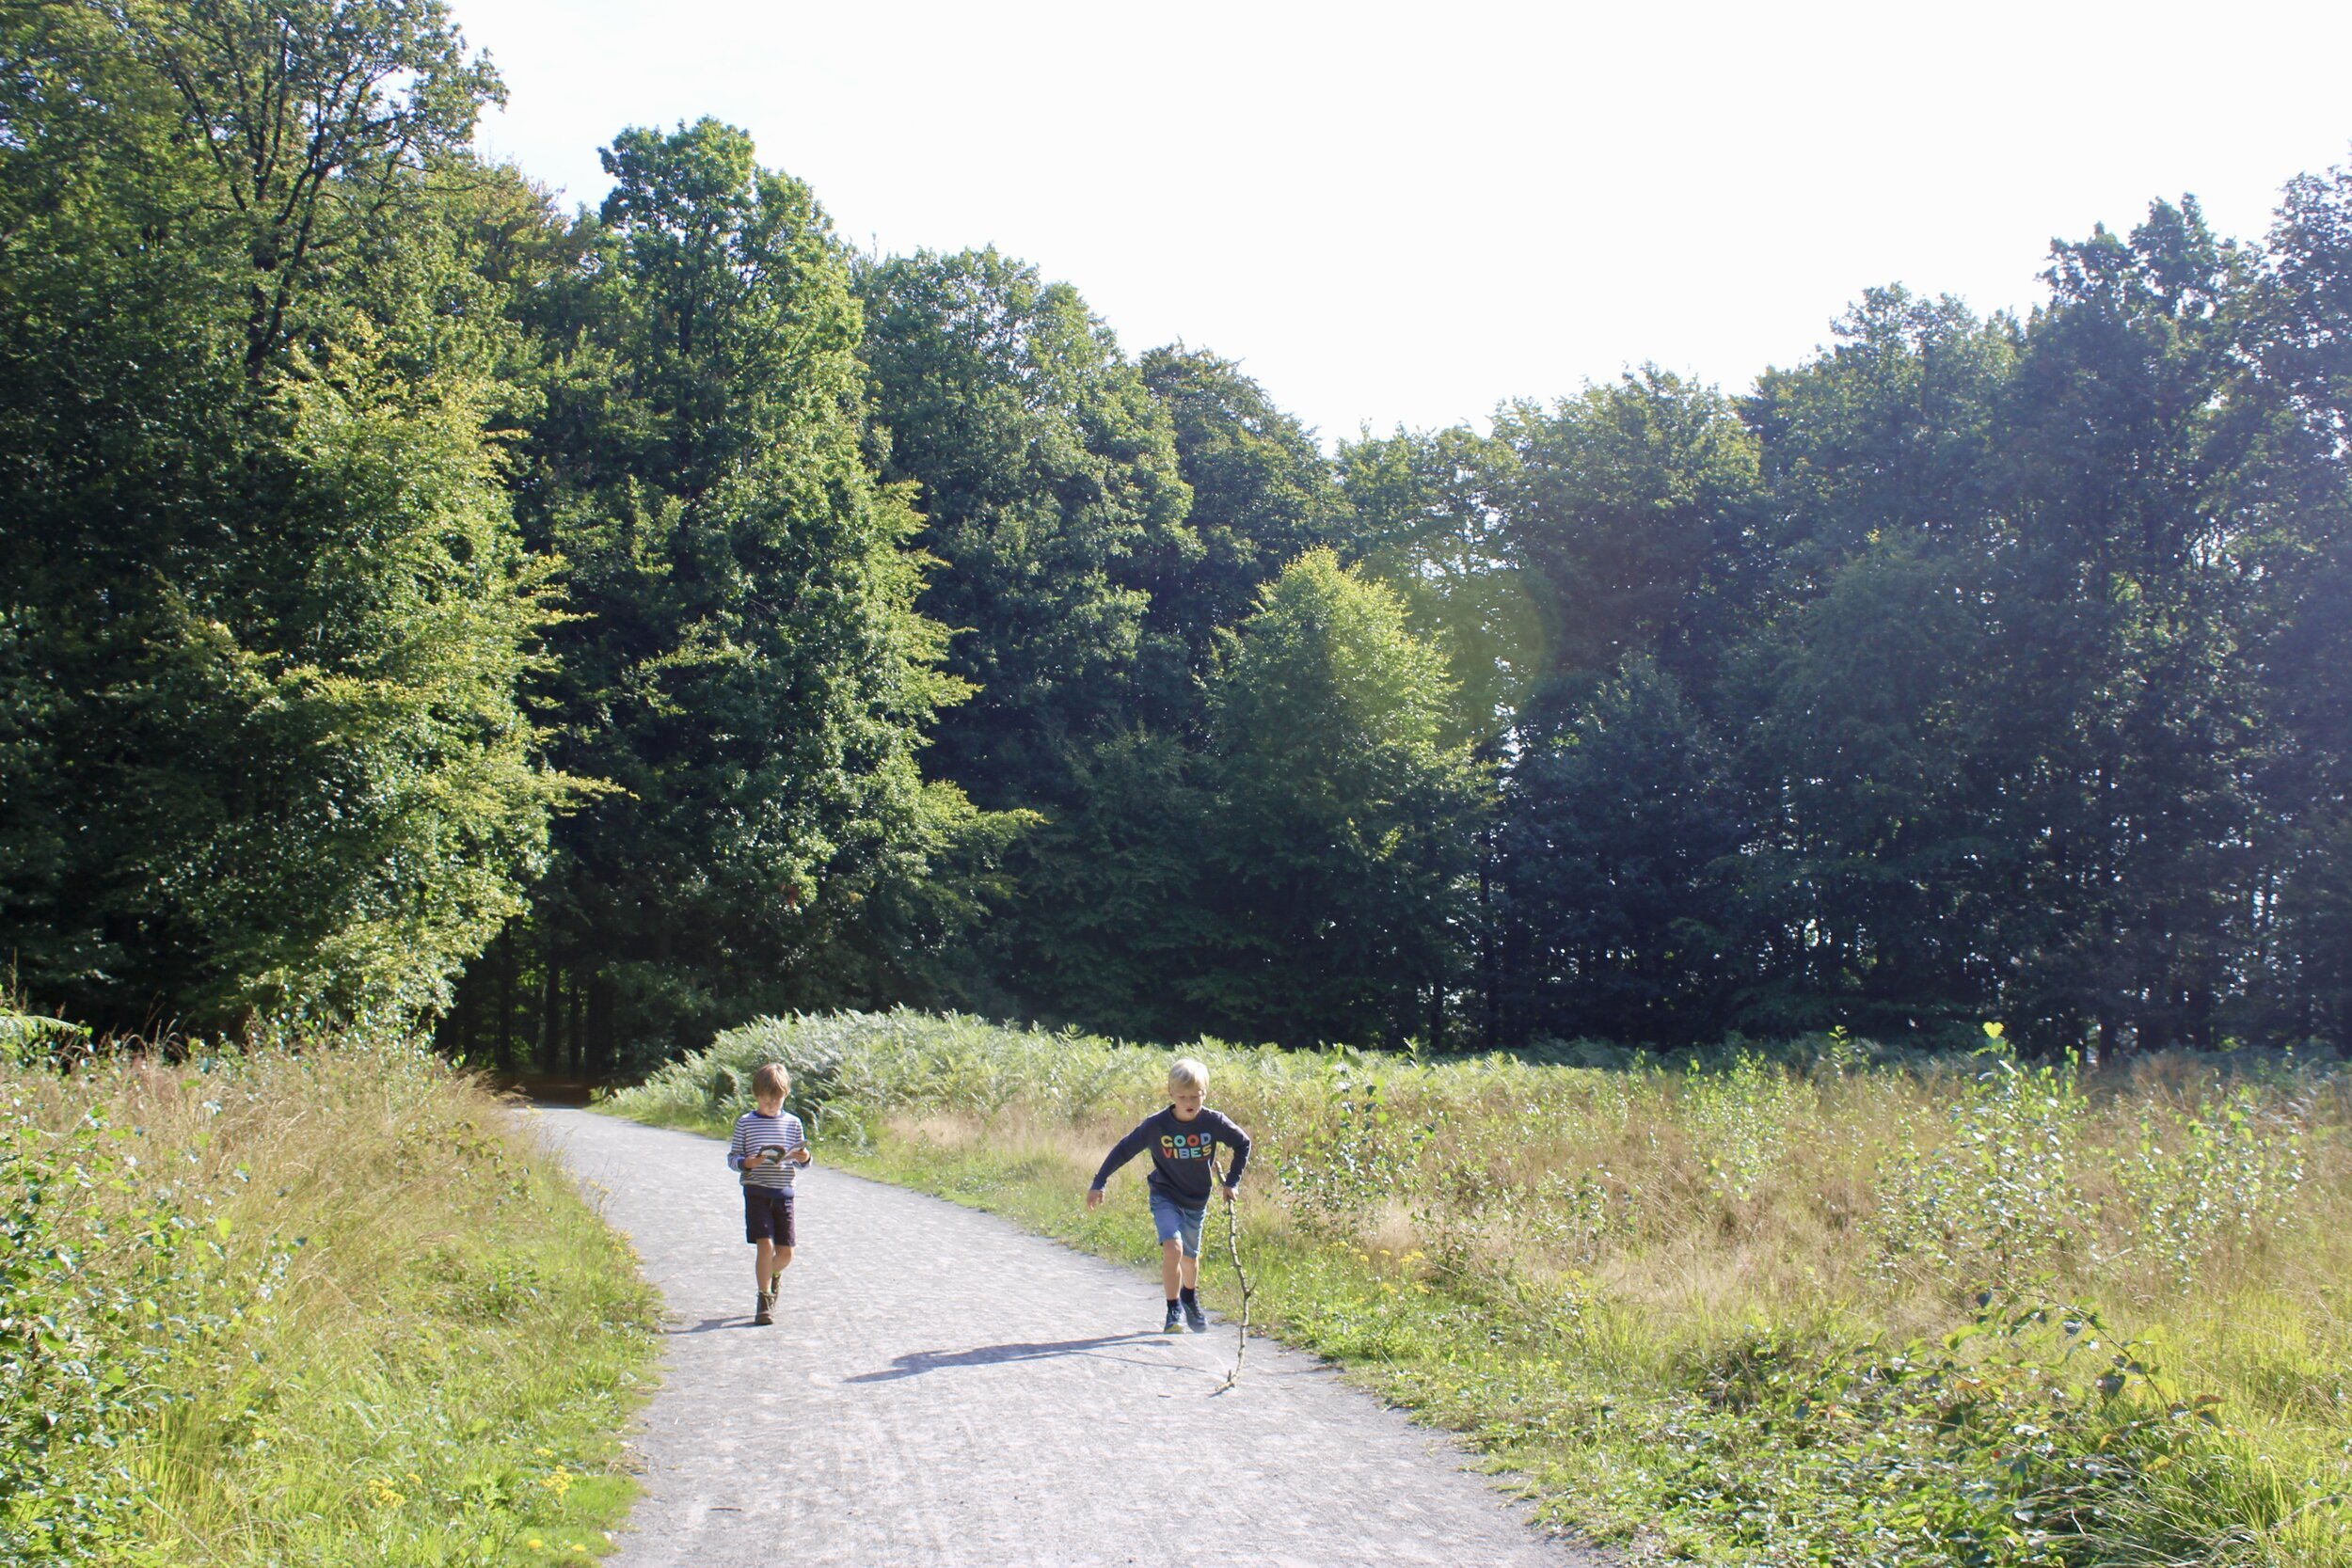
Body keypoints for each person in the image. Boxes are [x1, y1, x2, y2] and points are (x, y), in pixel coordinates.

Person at [1086, 1056, 1251, 1333]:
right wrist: (1099, 1182)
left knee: (1190, 1258)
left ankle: (1189, 1297)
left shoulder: (1213, 1122)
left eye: (1196, 1096)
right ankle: (1173, 1309)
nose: (1189, 1102)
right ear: (1171, 1094)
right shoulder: (1157, 1125)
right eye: (1183, 1096)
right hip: (1165, 1194)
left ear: (1205, 1093)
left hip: (1197, 1199)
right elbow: (1124, 1149)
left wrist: (1232, 1182)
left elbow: (1243, 1143)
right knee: (1173, 1248)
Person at [727, 1063, 811, 1325]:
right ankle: (764, 1300)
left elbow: (803, 1161)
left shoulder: (793, 1123)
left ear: (786, 1094)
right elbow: (732, 1158)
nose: (771, 1103)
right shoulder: (746, 1123)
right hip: (757, 1191)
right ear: (756, 1095)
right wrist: (746, 1163)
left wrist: (804, 1156)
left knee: (786, 1253)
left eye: (777, 1098)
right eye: (765, 1098)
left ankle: (773, 1276)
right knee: (765, 1244)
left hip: (784, 1192)